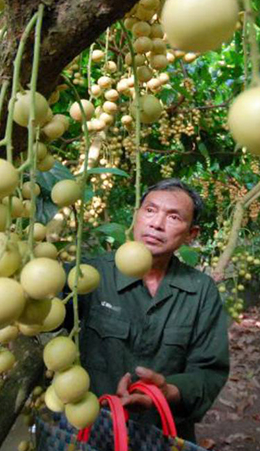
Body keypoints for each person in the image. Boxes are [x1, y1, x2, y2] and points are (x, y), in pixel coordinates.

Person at [61, 178, 230, 442]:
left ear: (191, 234)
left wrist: (168, 391)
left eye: (173, 217)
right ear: (136, 216)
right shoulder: (91, 274)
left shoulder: (201, 291)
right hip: (92, 429)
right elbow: (40, 311)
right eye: (150, 211)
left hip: (160, 433)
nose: (157, 224)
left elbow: (209, 372)